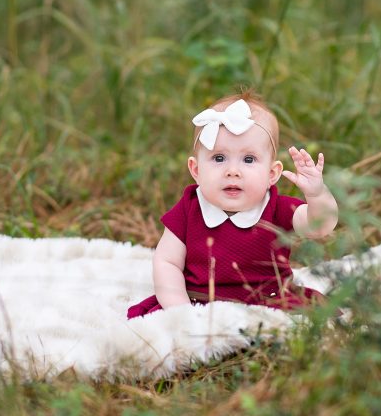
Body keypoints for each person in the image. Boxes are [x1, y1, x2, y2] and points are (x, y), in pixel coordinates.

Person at [127, 91, 339, 319]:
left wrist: (316, 193)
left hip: (270, 303)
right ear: (196, 170)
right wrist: (180, 311)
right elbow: (167, 262)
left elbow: (320, 226)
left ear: (272, 173)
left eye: (249, 159)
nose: (232, 171)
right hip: (200, 302)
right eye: (219, 158)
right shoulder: (190, 208)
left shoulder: (276, 209)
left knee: (303, 325)